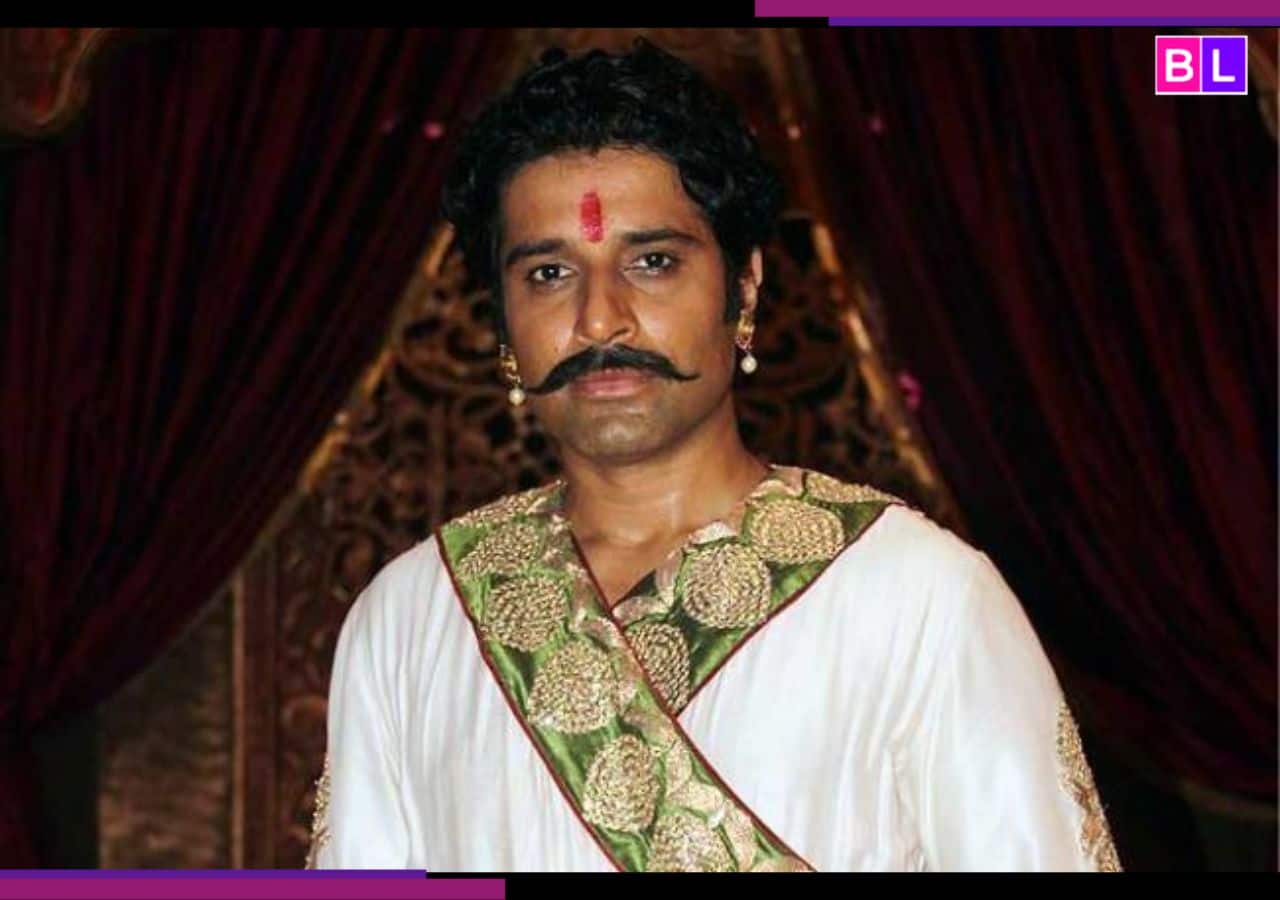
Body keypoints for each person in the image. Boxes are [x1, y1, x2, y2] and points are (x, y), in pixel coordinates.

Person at [307, 39, 1121, 873]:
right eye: (549, 273)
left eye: (653, 263)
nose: (601, 318)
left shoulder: (919, 597)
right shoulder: (413, 617)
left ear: (745, 287)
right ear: (503, 321)